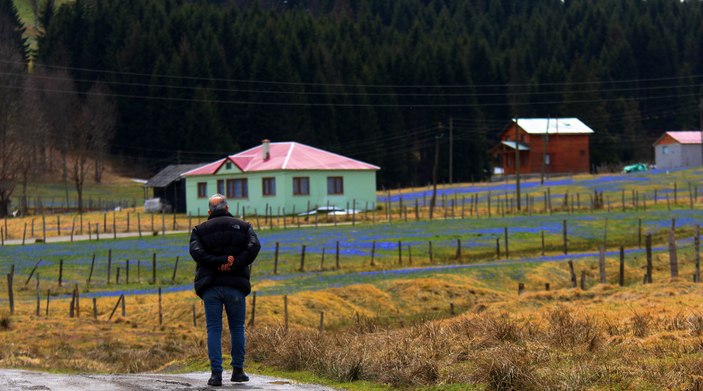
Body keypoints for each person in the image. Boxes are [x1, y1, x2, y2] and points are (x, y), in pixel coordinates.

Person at [190, 194, 261, 386]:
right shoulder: (244, 227)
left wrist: (216, 263)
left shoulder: (199, 230)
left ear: (209, 211)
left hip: (211, 287)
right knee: (237, 328)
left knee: (214, 329)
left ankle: (216, 375)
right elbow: (255, 246)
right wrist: (234, 263)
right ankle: (238, 371)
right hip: (235, 285)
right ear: (227, 208)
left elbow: (196, 253)